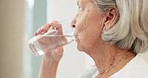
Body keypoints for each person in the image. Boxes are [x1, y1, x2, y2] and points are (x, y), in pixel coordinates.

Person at [35, 0, 148, 78]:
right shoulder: (92, 74)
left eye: (81, 9)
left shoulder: (137, 74)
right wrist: (50, 60)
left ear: (109, 18)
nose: (73, 22)